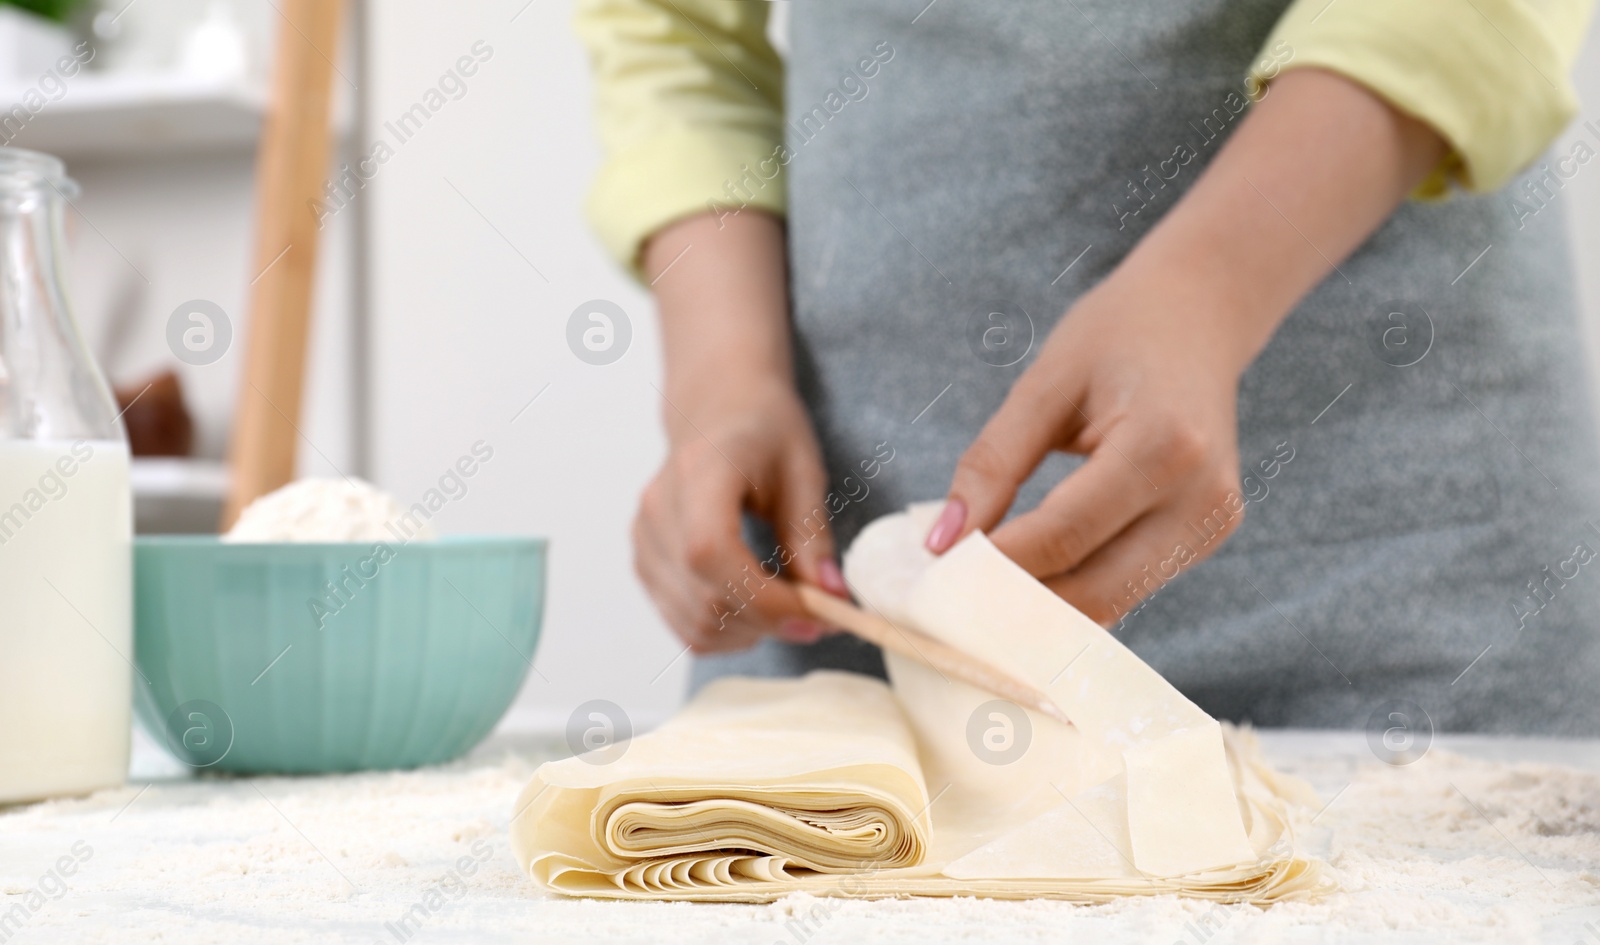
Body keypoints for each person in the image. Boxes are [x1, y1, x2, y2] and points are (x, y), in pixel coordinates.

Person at [576, 0, 1600, 733]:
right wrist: (723, 381)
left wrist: (1214, 286)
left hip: (1403, 588)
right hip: (859, 606)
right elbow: (669, 35)